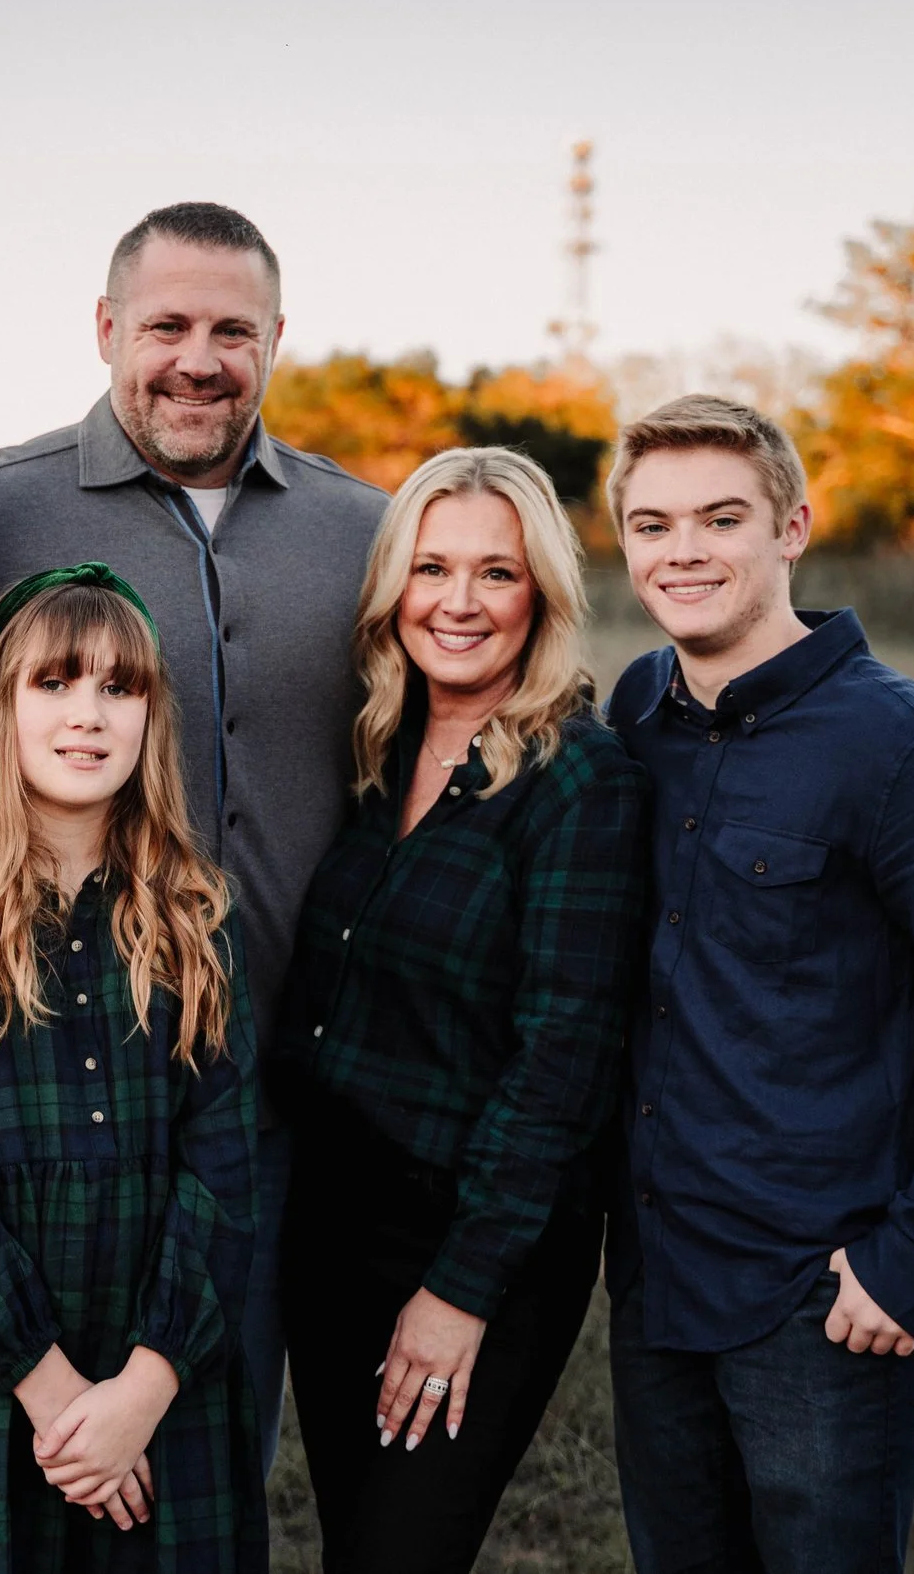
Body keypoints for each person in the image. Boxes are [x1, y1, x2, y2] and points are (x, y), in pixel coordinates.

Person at [601, 394, 914, 1572]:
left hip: (819, 1294)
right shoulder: (638, 711)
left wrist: (913, 1256)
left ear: (792, 527)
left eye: (721, 518)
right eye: (652, 524)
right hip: (658, 1271)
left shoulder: (907, 753)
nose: (683, 551)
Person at [0, 202, 387, 1469]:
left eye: (232, 331)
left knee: (221, 1442)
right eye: (166, 326)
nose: (198, 360)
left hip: (292, 1076)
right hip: (51, 1067)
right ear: (106, 328)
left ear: (276, 340)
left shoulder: (365, 530)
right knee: (43, 1452)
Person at [0, 566, 263, 1574]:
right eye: (55, 682)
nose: (88, 714)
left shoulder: (196, 918)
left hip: (156, 1357)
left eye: (120, 687)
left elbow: (226, 1167)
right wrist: (56, 1391)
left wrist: (142, 1389)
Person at [271, 448, 648, 1572]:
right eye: (432, 568)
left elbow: (563, 1060)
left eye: (497, 572)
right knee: (352, 1540)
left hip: (472, 1238)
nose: (459, 601)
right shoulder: (378, 746)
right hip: (329, 1225)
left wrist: (459, 1287)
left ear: (542, 594)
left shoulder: (580, 780)